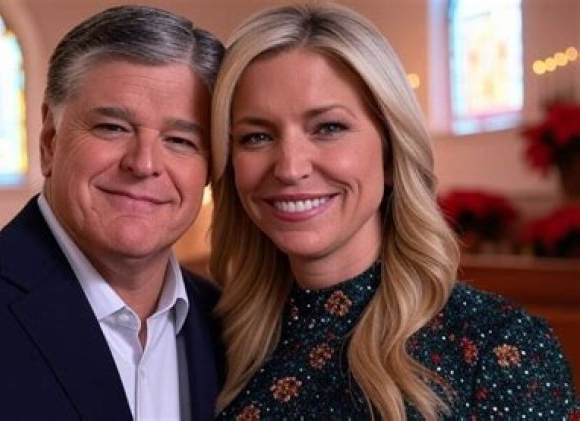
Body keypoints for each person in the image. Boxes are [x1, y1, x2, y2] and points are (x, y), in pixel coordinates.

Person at [209, 3, 579, 419]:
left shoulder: (499, 348)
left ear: (390, 152)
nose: (290, 168)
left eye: (329, 128)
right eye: (256, 136)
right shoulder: (216, 341)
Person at [0, 5, 224, 420]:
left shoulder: (233, 333)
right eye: (112, 127)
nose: (143, 164)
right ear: (49, 140)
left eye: (180, 140)